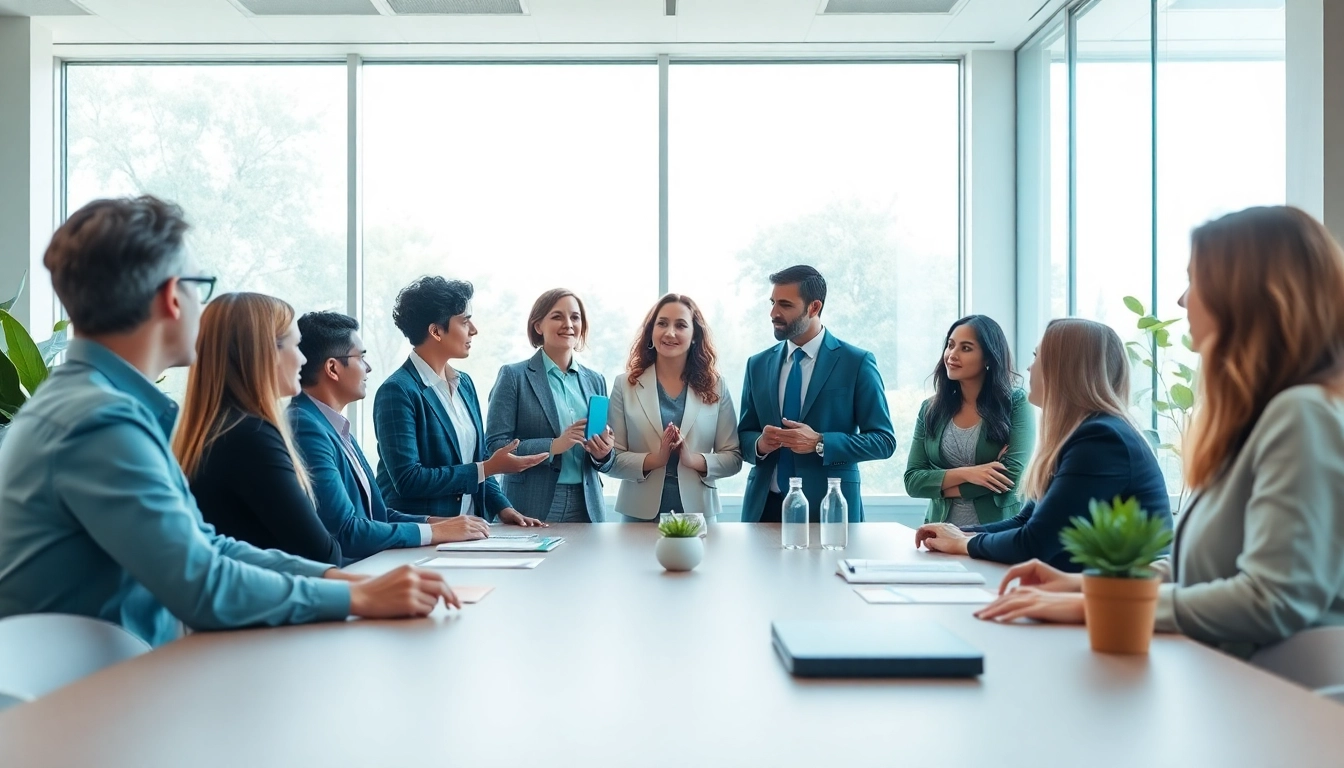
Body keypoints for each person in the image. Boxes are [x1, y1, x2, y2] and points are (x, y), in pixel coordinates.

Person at [0, 196, 457, 647]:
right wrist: (355, 596)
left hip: (127, 672)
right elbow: (200, 583)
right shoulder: (99, 421)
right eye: (199, 287)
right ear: (172, 297)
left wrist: (342, 583)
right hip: (98, 686)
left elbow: (207, 546)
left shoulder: (102, 405)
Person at [976, 206, 1344, 657]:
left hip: (1268, 689)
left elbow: (1271, 599)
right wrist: (1087, 586)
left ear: (1246, 296)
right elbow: (1198, 574)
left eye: (1195, 281)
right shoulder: (1259, 421)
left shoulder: (1303, 414)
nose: (1182, 301)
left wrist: (1095, 607)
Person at [915, 318, 1171, 569]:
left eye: (1037, 357)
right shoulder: (1080, 435)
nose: (1029, 368)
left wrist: (962, 543)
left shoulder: (1100, 440)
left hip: (1123, 594)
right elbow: (1025, 521)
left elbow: (1035, 542)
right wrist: (960, 533)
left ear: (1064, 368)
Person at [290, 311, 490, 564]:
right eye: (361, 357)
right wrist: (435, 532)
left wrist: (436, 523)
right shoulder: (306, 427)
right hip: (346, 573)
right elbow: (345, 531)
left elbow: (377, 514)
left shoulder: (332, 424)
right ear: (333, 368)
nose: (368, 368)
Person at [174, 293, 342, 565]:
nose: (302, 359)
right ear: (265, 352)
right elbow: (322, 555)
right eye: (296, 345)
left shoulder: (218, 428)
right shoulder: (251, 436)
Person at [373, 276, 547, 525]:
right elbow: (408, 479)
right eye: (465, 321)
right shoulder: (397, 391)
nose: (473, 330)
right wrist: (489, 468)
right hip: (422, 532)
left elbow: (479, 458)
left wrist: (503, 507)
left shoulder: (464, 383)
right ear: (436, 331)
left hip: (471, 530)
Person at [736, 265, 896, 523]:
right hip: (764, 509)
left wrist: (820, 442)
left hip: (830, 509)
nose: (773, 313)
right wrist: (760, 445)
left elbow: (883, 441)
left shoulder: (856, 362)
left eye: (785, 305)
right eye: (773, 303)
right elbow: (744, 435)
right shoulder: (757, 364)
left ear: (814, 307)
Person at [606, 293, 743, 521]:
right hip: (638, 516)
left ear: (695, 335)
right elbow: (612, 460)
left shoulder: (716, 386)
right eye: (662, 323)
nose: (670, 333)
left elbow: (733, 459)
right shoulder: (625, 385)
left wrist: (692, 459)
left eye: (680, 325)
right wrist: (656, 459)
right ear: (651, 331)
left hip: (698, 515)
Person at [485, 289, 616, 523]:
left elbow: (605, 458)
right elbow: (495, 446)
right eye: (557, 316)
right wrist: (554, 446)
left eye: (575, 317)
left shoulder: (595, 380)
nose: (568, 324)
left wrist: (603, 454)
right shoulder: (514, 376)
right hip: (530, 503)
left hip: (587, 503)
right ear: (538, 326)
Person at [904, 315, 1035, 527]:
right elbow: (912, 481)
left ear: (988, 358)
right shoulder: (930, 409)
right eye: (950, 345)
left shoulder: (1016, 402)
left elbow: (1011, 476)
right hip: (939, 532)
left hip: (996, 532)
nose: (952, 355)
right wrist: (970, 473)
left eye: (965, 348)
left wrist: (941, 487)